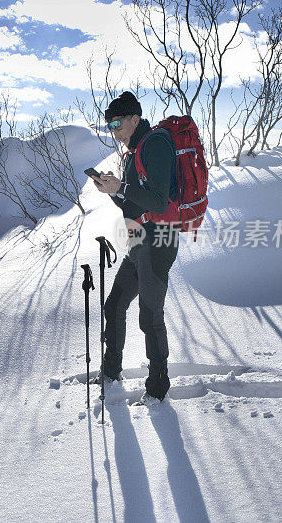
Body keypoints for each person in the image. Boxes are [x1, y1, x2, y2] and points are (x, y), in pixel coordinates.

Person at [90, 91, 178, 404]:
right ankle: (111, 371)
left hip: (159, 239)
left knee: (150, 315)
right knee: (114, 305)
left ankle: (157, 390)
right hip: (140, 239)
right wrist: (111, 191)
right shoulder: (134, 151)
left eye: (117, 122)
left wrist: (123, 187)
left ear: (134, 119)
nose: (113, 130)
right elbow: (132, 202)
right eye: (109, 125)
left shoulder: (154, 144)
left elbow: (158, 199)